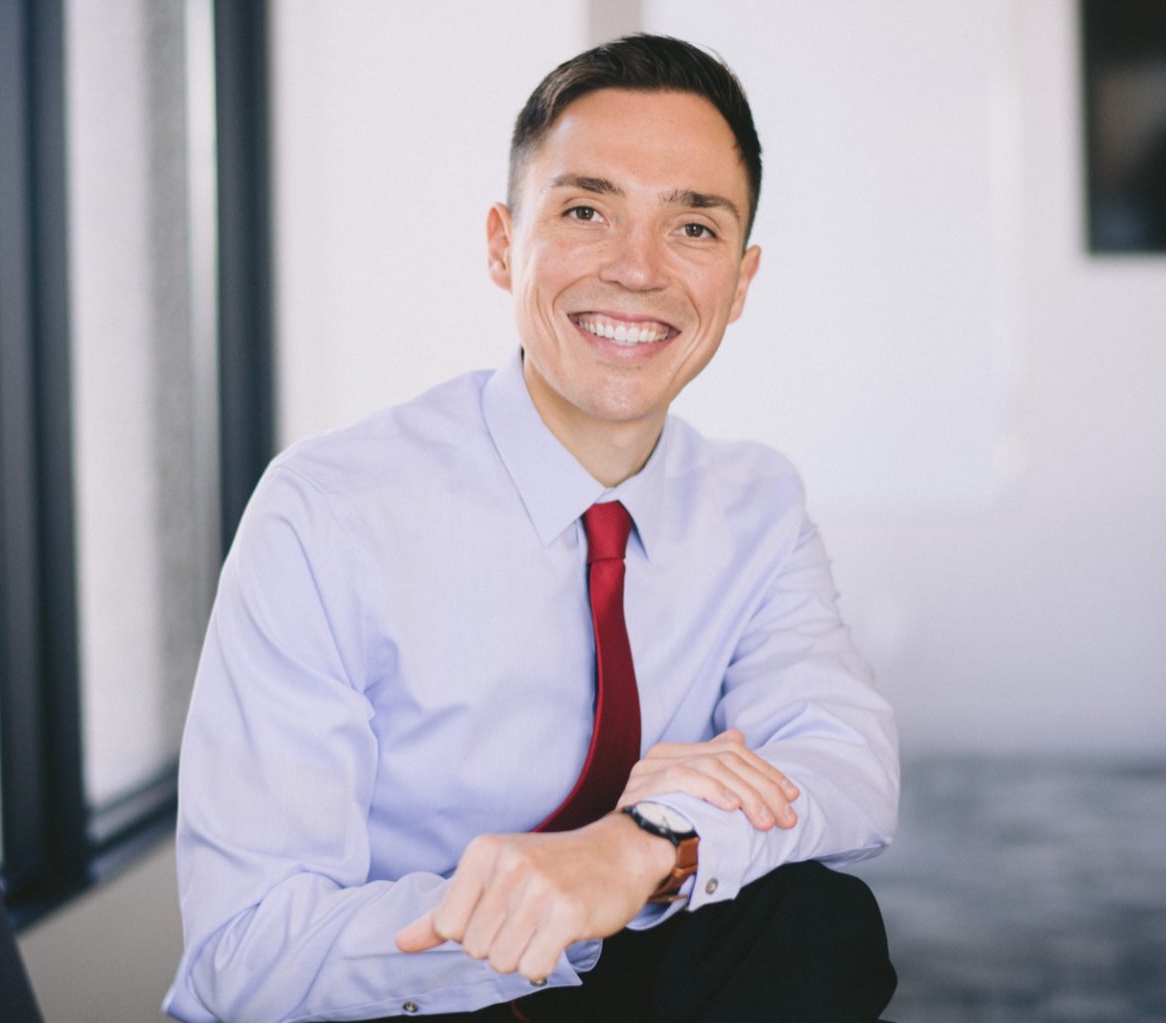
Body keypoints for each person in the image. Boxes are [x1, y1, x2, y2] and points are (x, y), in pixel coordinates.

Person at [164, 34, 899, 1023]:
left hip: (615, 976)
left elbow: (846, 766)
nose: (638, 271)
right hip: (394, 1003)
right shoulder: (330, 513)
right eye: (588, 211)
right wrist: (555, 906)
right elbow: (246, 956)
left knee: (816, 920)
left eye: (693, 228)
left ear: (740, 278)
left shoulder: (754, 503)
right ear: (505, 243)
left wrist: (645, 843)